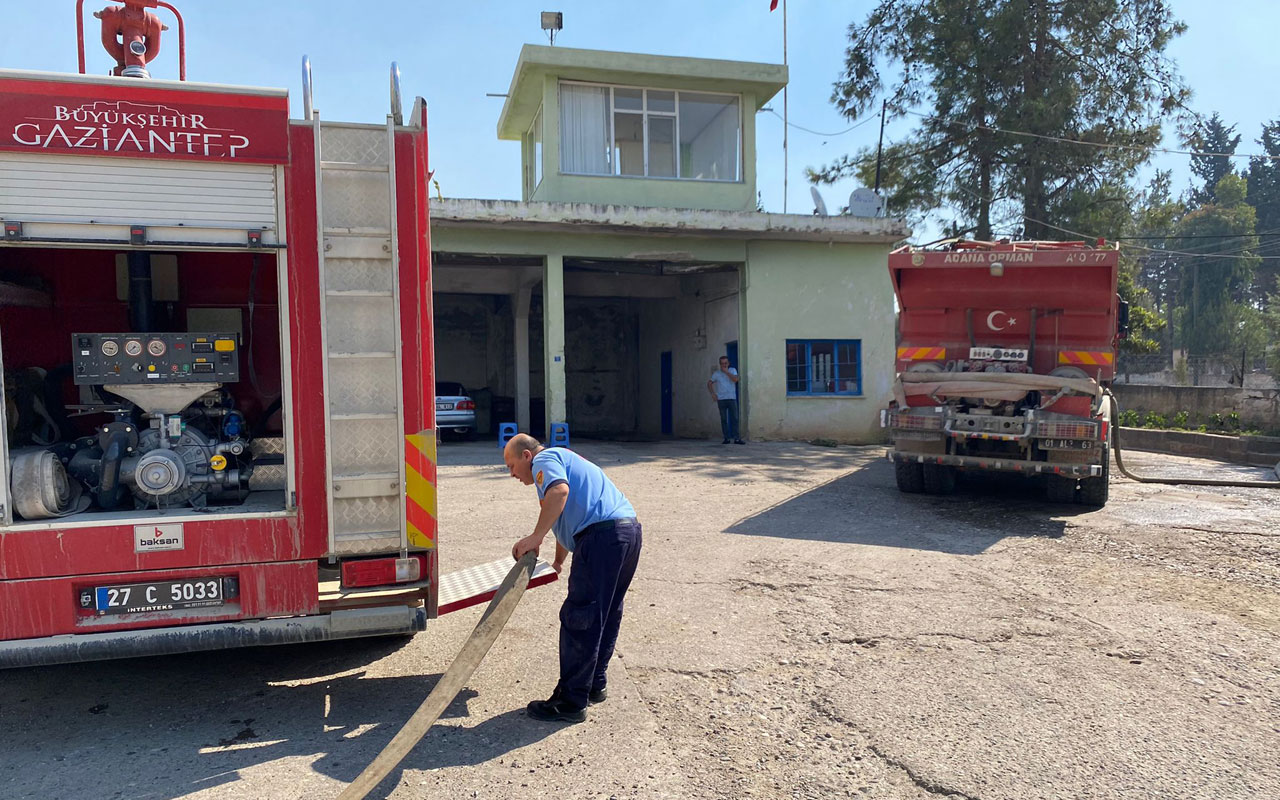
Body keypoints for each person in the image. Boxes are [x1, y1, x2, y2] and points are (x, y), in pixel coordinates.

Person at [505, 433, 643, 723]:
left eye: (511, 465)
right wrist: (557, 561)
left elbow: (559, 494)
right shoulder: (564, 459)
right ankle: (593, 685)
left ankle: (570, 702)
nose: (511, 474)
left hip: (602, 538)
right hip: (627, 532)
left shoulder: (544, 459)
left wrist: (535, 537)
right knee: (605, 613)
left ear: (527, 456)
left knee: (579, 618)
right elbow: (567, 519)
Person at [707, 355, 744, 444]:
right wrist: (713, 394)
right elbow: (709, 383)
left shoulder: (733, 370)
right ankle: (726, 438)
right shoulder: (716, 373)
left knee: (734, 418)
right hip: (721, 399)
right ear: (720, 364)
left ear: (728, 363)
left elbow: (735, 379)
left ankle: (736, 438)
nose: (724, 365)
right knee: (723, 419)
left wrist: (727, 372)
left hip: (731, 398)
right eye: (722, 363)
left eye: (725, 363)